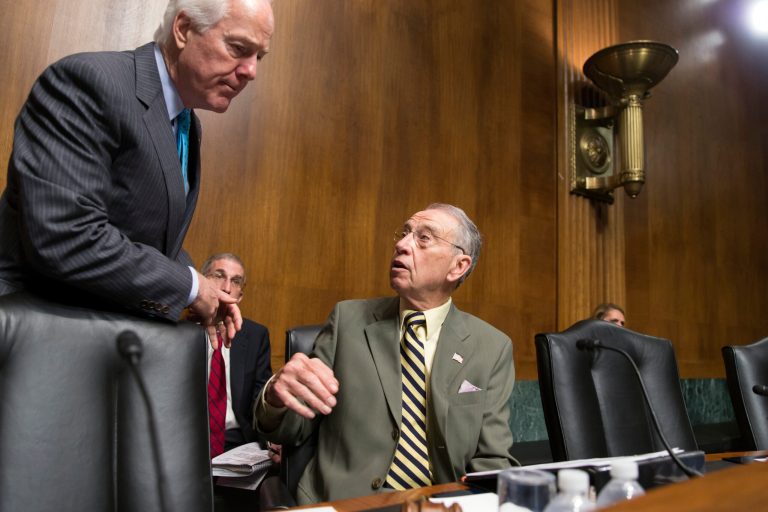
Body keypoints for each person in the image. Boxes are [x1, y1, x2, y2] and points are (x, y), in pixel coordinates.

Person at [0, 0, 275, 346]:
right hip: (30, 342)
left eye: (259, 57)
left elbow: (149, 237)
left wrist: (206, 291)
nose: (251, 71)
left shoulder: (188, 123)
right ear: (184, 29)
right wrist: (189, 287)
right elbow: (65, 234)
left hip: (102, 342)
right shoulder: (88, 81)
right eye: (238, 48)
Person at [254, 203, 517, 504]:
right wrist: (276, 396)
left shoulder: (491, 347)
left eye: (424, 238)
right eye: (404, 233)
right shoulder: (347, 321)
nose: (401, 244)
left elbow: (493, 461)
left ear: (458, 266)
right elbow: (292, 429)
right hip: (344, 505)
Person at [201, 253, 273, 453]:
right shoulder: (179, 330)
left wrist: (272, 438)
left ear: (239, 296)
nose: (226, 288)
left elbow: (261, 402)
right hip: (189, 437)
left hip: (237, 442)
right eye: (218, 276)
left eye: (235, 281)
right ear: (202, 282)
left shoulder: (255, 336)